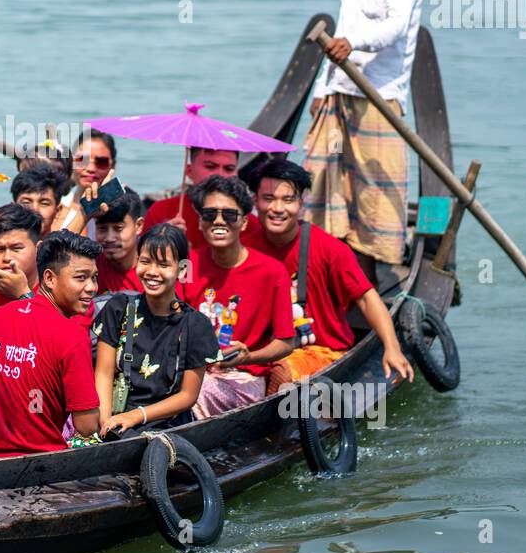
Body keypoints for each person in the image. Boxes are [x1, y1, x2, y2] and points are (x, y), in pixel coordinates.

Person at [305, 0, 424, 283]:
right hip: (340, 89)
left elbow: (395, 26)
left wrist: (353, 44)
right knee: (324, 187)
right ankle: (331, 282)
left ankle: (370, 287)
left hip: (379, 93)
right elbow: (343, 28)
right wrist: (322, 89)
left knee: (375, 197)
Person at [247, 158, 414, 391]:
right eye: (268, 199)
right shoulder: (244, 249)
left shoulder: (329, 249)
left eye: (288, 200)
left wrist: (391, 347)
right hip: (260, 350)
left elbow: (366, 298)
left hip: (319, 352)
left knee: (281, 375)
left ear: (302, 203)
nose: (277, 208)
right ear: (255, 201)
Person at [178, 176, 297, 418]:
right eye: (210, 214)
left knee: (195, 392)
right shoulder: (186, 264)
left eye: (229, 215)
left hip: (242, 376)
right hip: (191, 370)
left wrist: (248, 357)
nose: (219, 221)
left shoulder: (272, 272)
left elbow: (286, 343)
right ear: (200, 221)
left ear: (243, 222)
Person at [0, 231, 102, 458]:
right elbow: (87, 426)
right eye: (81, 278)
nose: (92, 287)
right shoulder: (73, 335)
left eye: (94, 278)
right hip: (42, 462)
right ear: (50, 278)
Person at [92, 224, 216, 436]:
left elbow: (188, 395)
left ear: (182, 269)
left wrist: (136, 416)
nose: (152, 272)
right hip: (115, 418)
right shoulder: (118, 307)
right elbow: (104, 373)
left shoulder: (196, 325)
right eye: (145, 262)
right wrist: (106, 423)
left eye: (163, 264)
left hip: (166, 425)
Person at [140, 146, 253, 255]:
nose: (220, 175)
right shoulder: (161, 211)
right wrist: (162, 241)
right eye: (210, 166)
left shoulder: (250, 223)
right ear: (189, 171)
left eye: (229, 169)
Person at [0, 203, 43, 315]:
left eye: (16, 248)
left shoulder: (55, 291)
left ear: (38, 249)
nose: (7, 258)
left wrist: (23, 294)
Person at [94, 188, 145, 295]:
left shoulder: (159, 269)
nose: (109, 238)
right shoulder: (91, 266)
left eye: (118, 228)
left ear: (138, 226)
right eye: (102, 229)